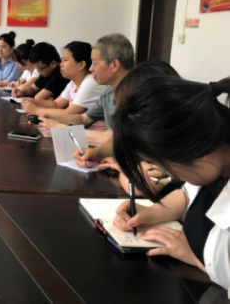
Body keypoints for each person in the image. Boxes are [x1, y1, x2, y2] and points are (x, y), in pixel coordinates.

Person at [111, 76, 230, 291]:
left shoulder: (210, 164)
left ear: (191, 150)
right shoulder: (214, 163)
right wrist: (153, 212)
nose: (166, 172)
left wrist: (198, 259)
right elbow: (187, 194)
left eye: (161, 164)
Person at [73, 60, 182, 196]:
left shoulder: (177, 145)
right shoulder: (147, 131)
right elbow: (121, 142)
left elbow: (141, 186)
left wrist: (126, 169)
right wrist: (97, 152)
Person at [36, 33, 134, 146]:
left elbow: (113, 138)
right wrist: (51, 118)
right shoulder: (109, 91)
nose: (91, 69)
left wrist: (59, 128)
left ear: (114, 65)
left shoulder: (138, 93)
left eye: (95, 63)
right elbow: (84, 119)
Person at [21, 41, 106, 118]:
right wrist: (32, 101)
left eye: (65, 60)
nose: (61, 64)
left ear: (81, 65)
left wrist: (36, 110)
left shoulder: (90, 82)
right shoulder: (73, 82)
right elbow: (56, 104)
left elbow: (68, 114)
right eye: (62, 60)